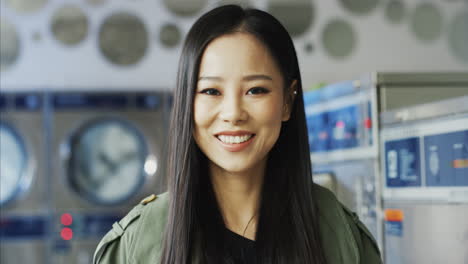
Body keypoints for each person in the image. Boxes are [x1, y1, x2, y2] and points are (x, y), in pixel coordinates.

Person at [93, 4, 382, 264]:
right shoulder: (138, 240)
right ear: (185, 103)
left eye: (256, 90)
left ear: (287, 101)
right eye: (210, 91)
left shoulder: (336, 229)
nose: (233, 113)